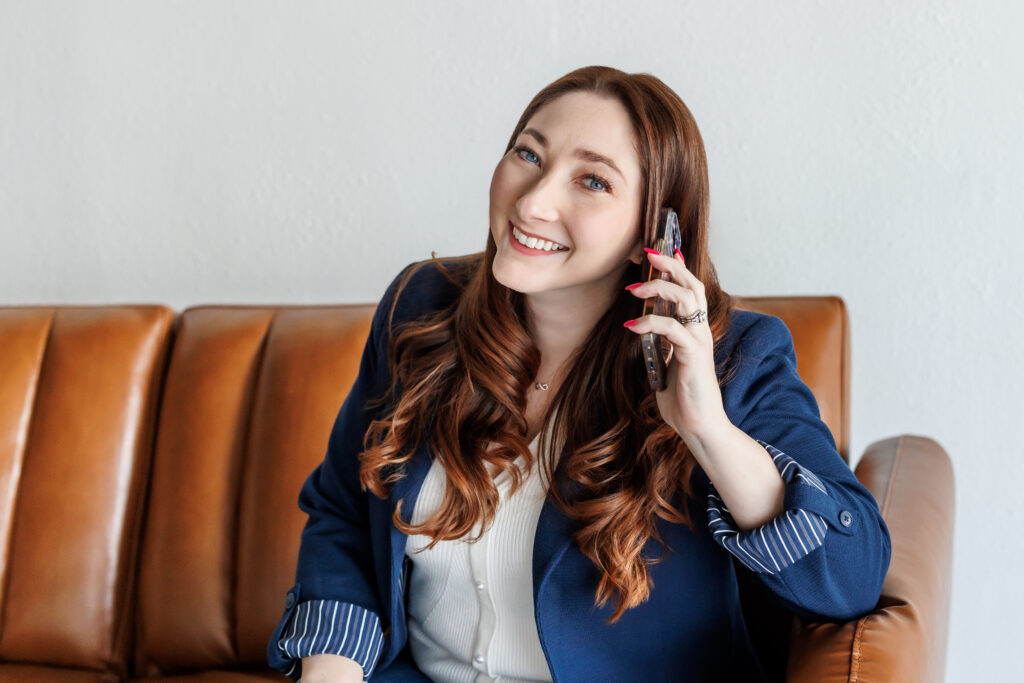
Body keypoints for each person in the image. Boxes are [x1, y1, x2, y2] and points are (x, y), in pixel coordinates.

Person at [266, 65, 891, 683]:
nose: (533, 201)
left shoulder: (732, 356)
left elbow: (852, 577)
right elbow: (344, 511)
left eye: (592, 180)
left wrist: (710, 431)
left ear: (656, 228)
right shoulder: (420, 306)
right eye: (528, 154)